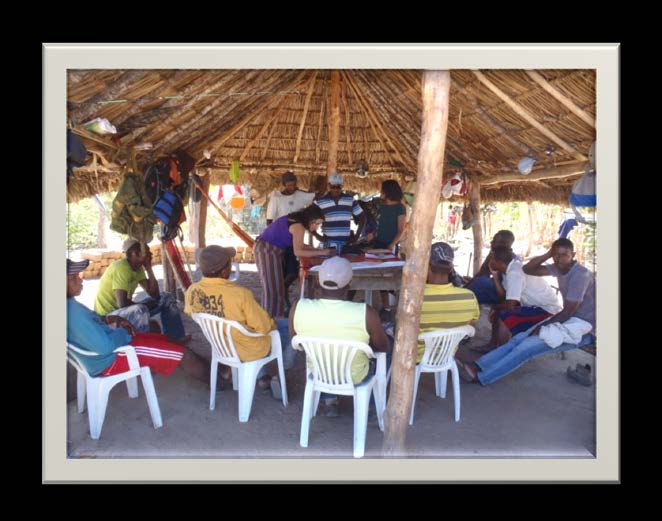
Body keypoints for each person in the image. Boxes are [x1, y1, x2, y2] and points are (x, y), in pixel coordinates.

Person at [456, 238, 596, 386]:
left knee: (526, 347)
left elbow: (567, 311)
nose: (559, 259)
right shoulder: (559, 267)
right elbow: (528, 269)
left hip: (584, 326)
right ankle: (478, 365)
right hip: (569, 320)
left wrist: (541, 327)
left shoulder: (580, 275)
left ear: (573, 254)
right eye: (556, 254)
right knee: (520, 338)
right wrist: (548, 254)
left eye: (564, 255)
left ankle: (482, 376)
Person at [67, 259, 209, 383]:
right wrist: (123, 332)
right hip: (112, 358)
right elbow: (105, 346)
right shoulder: (73, 313)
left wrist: (108, 319)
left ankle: (215, 371)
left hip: (108, 351)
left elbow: (95, 320)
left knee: (165, 340)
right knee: (183, 354)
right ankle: (218, 382)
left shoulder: (68, 304)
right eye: (73, 277)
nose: (80, 279)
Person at [184, 245, 297, 396]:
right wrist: (272, 321)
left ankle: (262, 377)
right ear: (225, 270)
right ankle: (281, 375)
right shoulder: (240, 294)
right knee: (291, 328)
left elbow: (192, 314)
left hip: (221, 345)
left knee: (254, 329)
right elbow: (265, 327)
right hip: (248, 348)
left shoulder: (192, 290)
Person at [290, 256, 392, 417]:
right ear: (349, 285)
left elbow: (297, 342)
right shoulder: (366, 313)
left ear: (318, 282)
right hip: (355, 376)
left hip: (318, 372)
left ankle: (329, 399)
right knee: (389, 346)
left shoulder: (298, 307)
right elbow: (382, 347)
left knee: (322, 353)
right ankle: (371, 402)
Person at [93, 239, 189, 343]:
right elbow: (122, 303)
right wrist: (144, 305)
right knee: (141, 310)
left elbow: (155, 294)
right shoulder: (121, 267)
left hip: (124, 311)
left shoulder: (138, 268)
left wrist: (149, 268)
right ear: (135, 254)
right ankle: (144, 347)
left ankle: (175, 339)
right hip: (109, 316)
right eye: (147, 251)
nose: (151, 253)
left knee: (166, 298)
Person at [474, 245, 562, 352]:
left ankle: (501, 354)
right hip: (534, 307)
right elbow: (505, 297)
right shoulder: (508, 270)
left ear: (499, 262)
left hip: (548, 310)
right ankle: (492, 346)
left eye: (492, 259)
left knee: (505, 316)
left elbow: (510, 305)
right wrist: (496, 277)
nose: (489, 261)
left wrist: (496, 307)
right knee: (500, 311)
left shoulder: (514, 273)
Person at [254, 204, 335, 318]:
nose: (316, 228)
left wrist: (318, 250)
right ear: (310, 219)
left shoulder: (296, 221)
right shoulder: (298, 226)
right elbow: (298, 251)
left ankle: (274, 318)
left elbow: (300, 245)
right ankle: (271, 321)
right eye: (316, 223)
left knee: (276, 288)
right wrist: (322, 253)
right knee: (273, 290)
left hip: (270, 249)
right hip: (267, 250)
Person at [418, 242, 479, 363]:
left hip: (416, 357)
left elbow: (400, 328)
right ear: (451, 268)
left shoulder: (414, 298)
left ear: (426, 265)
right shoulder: (469, 296)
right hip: (446, 356)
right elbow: (471, 325)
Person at [266, 172, 316, 300]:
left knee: (293, 271)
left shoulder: (300, 195)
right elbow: (269, 220)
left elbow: (314, 196)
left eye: (294, 185)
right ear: (284, 185)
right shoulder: (276, 197)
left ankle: (283, 291)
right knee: (280, 271)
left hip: (295, 239)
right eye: (289, 185)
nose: (292, 187)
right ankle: (283, 296)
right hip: (280, 240)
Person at [314, 172, 366, 254]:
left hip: (345, 244)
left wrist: (357, 236)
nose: (335, 189)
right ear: (329, 186)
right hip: (328, 246)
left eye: (338, 186)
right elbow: (308, 220)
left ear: (342, 186)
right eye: (333, 186)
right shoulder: (320, 202)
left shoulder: (350, 200)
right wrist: (316, 235)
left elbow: (363, 217)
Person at [464, 230, 517, 304]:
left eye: (494, 241)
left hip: (506, 294)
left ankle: (462, 297)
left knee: (481, 282)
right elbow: (483, 272)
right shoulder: (494, 255)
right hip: (498, 288)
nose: (491, 242)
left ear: (504, 244)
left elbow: (508, 297)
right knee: (480, 283)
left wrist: (465, 287)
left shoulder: (513, 264)